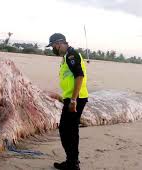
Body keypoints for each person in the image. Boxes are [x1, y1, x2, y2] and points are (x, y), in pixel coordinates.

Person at [46, 33, 88, 170]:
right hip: (73, 97)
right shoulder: (67, 57)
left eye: (53, 46)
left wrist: (73, 100)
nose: (53, 49)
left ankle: (72, 162)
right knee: (70, 130)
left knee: (66, 130)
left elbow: (79, 76)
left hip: (76, 99)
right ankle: (72, 161)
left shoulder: (71, 55)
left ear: (59, 43)